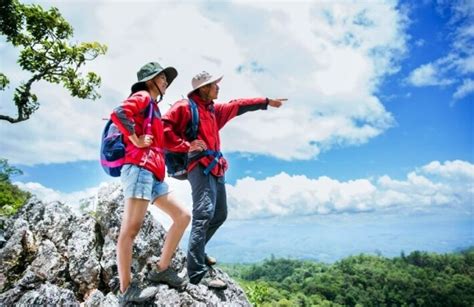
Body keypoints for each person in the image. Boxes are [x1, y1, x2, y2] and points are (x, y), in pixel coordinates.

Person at [162, 71, 286, 289]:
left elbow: (238, 105)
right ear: (203, 88)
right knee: (204, 214)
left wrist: (266, 102)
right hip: (199, 167)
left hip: (216, 168)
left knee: (219, 214)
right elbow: (163, 129)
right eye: (214, 85)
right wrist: (186, 145)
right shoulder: (185, 107)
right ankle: (197, 273)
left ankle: (197, 252)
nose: (218, 87)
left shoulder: (213, 111)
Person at [111, 62, 191, 304]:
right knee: (130, 231)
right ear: (149, 80)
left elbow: (162, 141)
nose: (166, 81)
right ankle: (126, 290)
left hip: (153, 173)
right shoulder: (144, 96)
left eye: (167, 78)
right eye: (161, 77)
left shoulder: (153, 107)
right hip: (139, 169)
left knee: (183, 216)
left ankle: (161, 268)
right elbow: (119, 112)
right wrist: (135, 139)